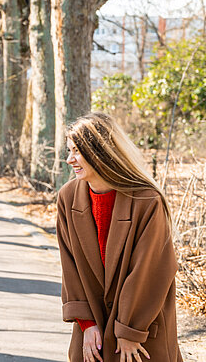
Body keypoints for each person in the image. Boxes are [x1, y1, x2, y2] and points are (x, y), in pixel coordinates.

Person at [56, 112, 182, 362]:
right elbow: (69, 266)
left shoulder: (147, 201)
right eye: (69, 150)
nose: (70, 159)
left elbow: (150, 270)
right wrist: (86, 323)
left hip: (140, 330)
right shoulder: (67, 197)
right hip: (93, 331)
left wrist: (129, 330)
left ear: (100, 152)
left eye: (77, 151)